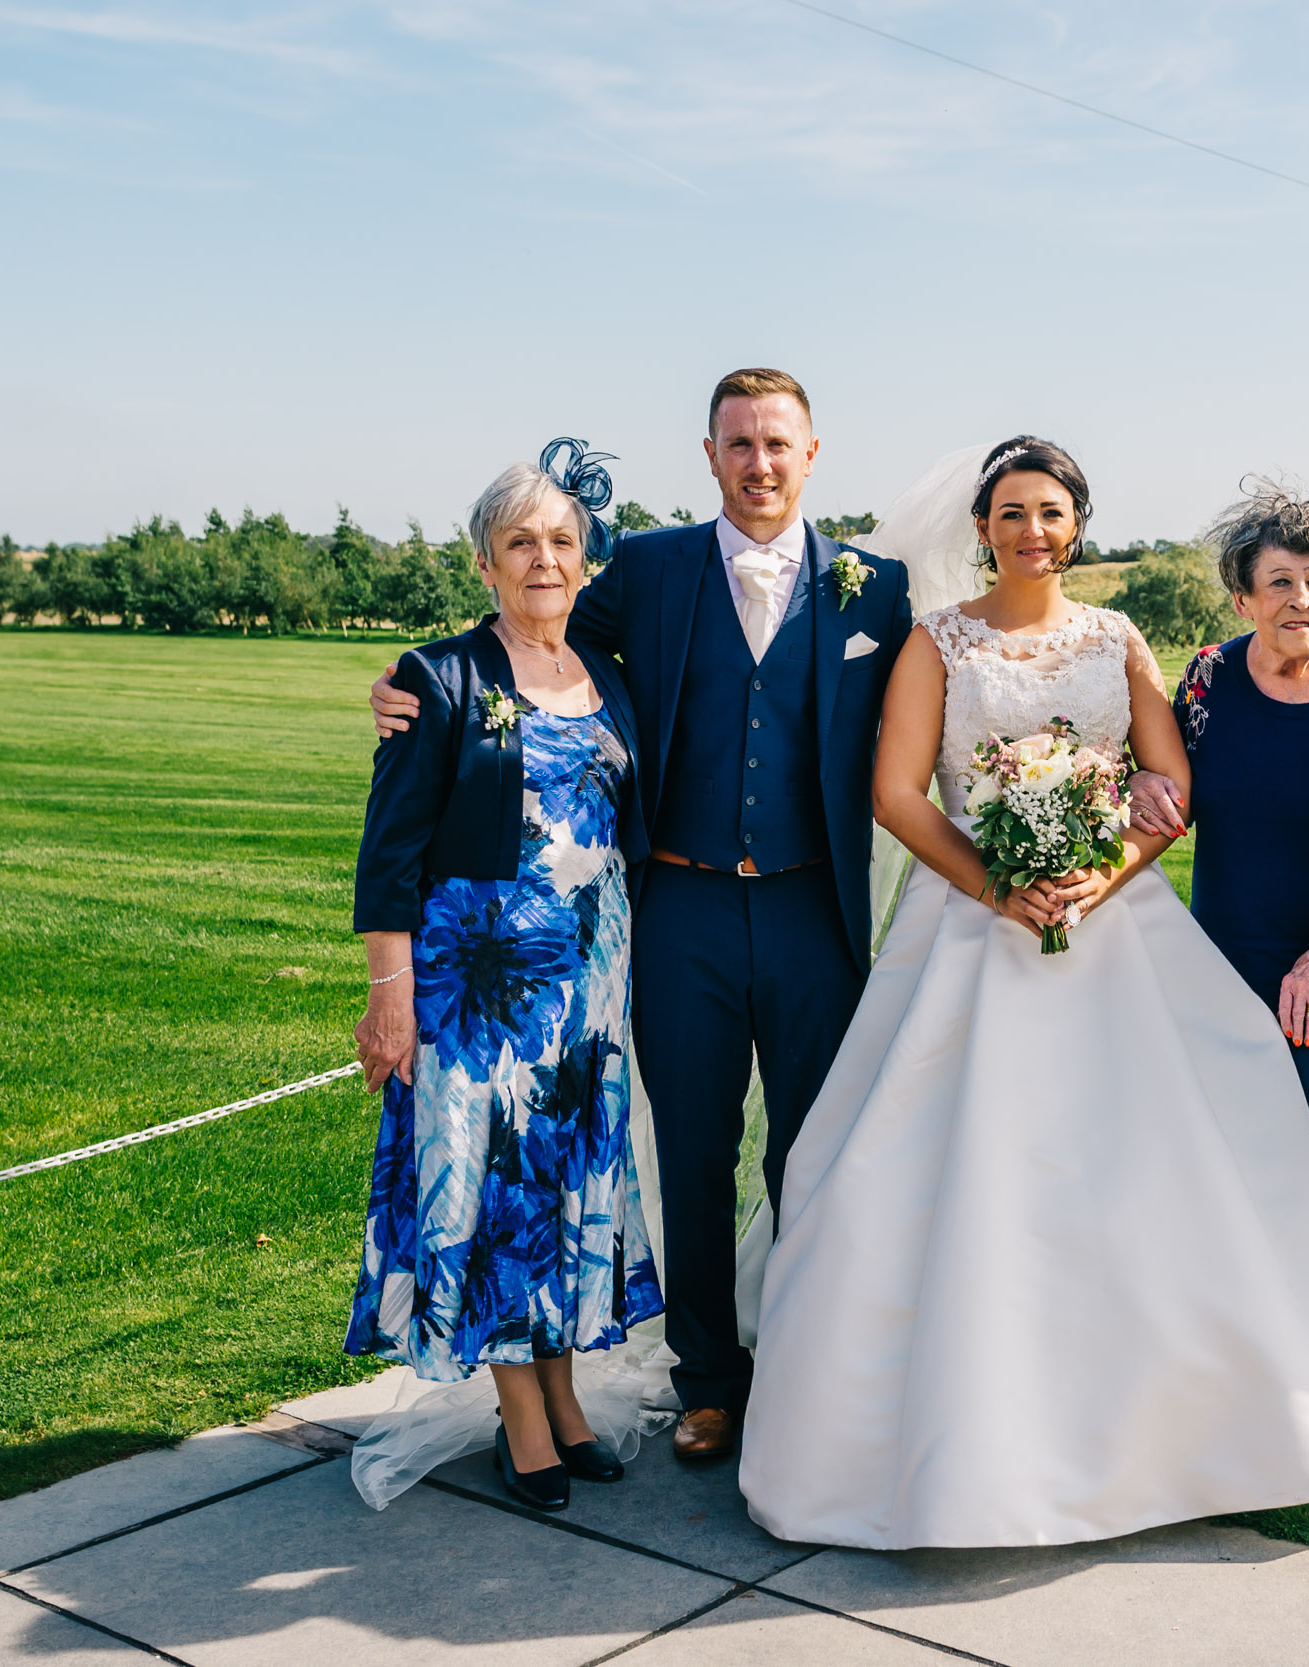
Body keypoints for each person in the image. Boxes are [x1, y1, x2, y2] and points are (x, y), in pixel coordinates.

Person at [738, 437, 1309, 1550]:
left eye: (1050, 510)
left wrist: (1101, 875)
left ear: (1076, 524)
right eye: (1011, 511)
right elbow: (898, 793)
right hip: (969, 931)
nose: (1031, 529)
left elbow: (1168, 781)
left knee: (1152, 1168)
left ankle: (1171, 1435)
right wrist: (999, 885)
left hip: (1113, 929)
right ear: (983, 526)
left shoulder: (1117, 637)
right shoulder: (936, 642)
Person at [372, 370, 913, 1464]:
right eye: (737, 444)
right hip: (681, 909)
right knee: (694, 1154)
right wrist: (409, 685)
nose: (758, 462)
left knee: (814, 1153)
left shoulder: (877, 589)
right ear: (708, 457)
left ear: (812, 455)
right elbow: (529, 620)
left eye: (777, 442)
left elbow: (937, 703)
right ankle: (710, 1380)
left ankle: (812, 1373)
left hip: (816, 908)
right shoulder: (655, 568)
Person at [349, 448, 662, 1512]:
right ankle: (520, 1418)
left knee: (569, 1191)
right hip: (479, 996)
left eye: (561, 541)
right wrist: (389, 989)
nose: (543, 559)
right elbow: (389, 850)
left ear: (586, 560)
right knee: (494, 1196)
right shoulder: (439, 677)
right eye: (520, 541)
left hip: (588, 992)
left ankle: (566, 1400)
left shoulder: (603, 674)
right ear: (486, 559)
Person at [1127, 482, 1309, 1301]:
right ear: (1243, 595)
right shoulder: (1209, 678)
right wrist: (1144, 780)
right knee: (1223, 1178)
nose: (1301, 598)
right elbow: (1168, 778)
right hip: (1219, 972)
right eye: (1280, 581)